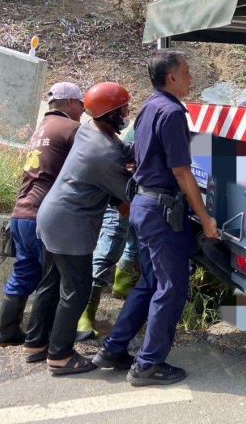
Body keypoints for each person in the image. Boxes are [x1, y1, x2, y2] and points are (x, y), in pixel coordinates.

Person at [93, 50, 219, 386]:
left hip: (142, 206)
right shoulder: (174, 113)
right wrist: (205, 218)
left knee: (150, 283)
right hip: (163, 212)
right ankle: (148, 365)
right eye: (187, 71)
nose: (191, 77)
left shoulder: (149, 107)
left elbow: (139, 156)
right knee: (172, 287)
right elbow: (182, 172)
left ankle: (113, 349)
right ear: (172, 78)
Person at [22, 82, 135, 375]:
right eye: (123, 108)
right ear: (110, 114)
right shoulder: (104, 154)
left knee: (51, 283)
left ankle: (36, 344)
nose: (127, 112)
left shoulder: (89, 131)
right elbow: (128, 198)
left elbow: (122, 151)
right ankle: (60, 356)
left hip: (51, 216)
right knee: (77, 290)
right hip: (70, 226)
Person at [0, 82, 84, 348]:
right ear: (70, 103)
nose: (82, 109)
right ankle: (42, 337)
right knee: (52, 280)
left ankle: (7, 332)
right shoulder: (71, 129)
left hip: (20, 214)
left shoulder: (40, 129)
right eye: (81, 104)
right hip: (43, 217)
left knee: (24, 274)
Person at [74, 126, 140, 343]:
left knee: (134, 242)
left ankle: (121, 285)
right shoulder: (150, 122)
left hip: (136, 194)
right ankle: (85, 313)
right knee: (109, 248)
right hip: (119, 193)